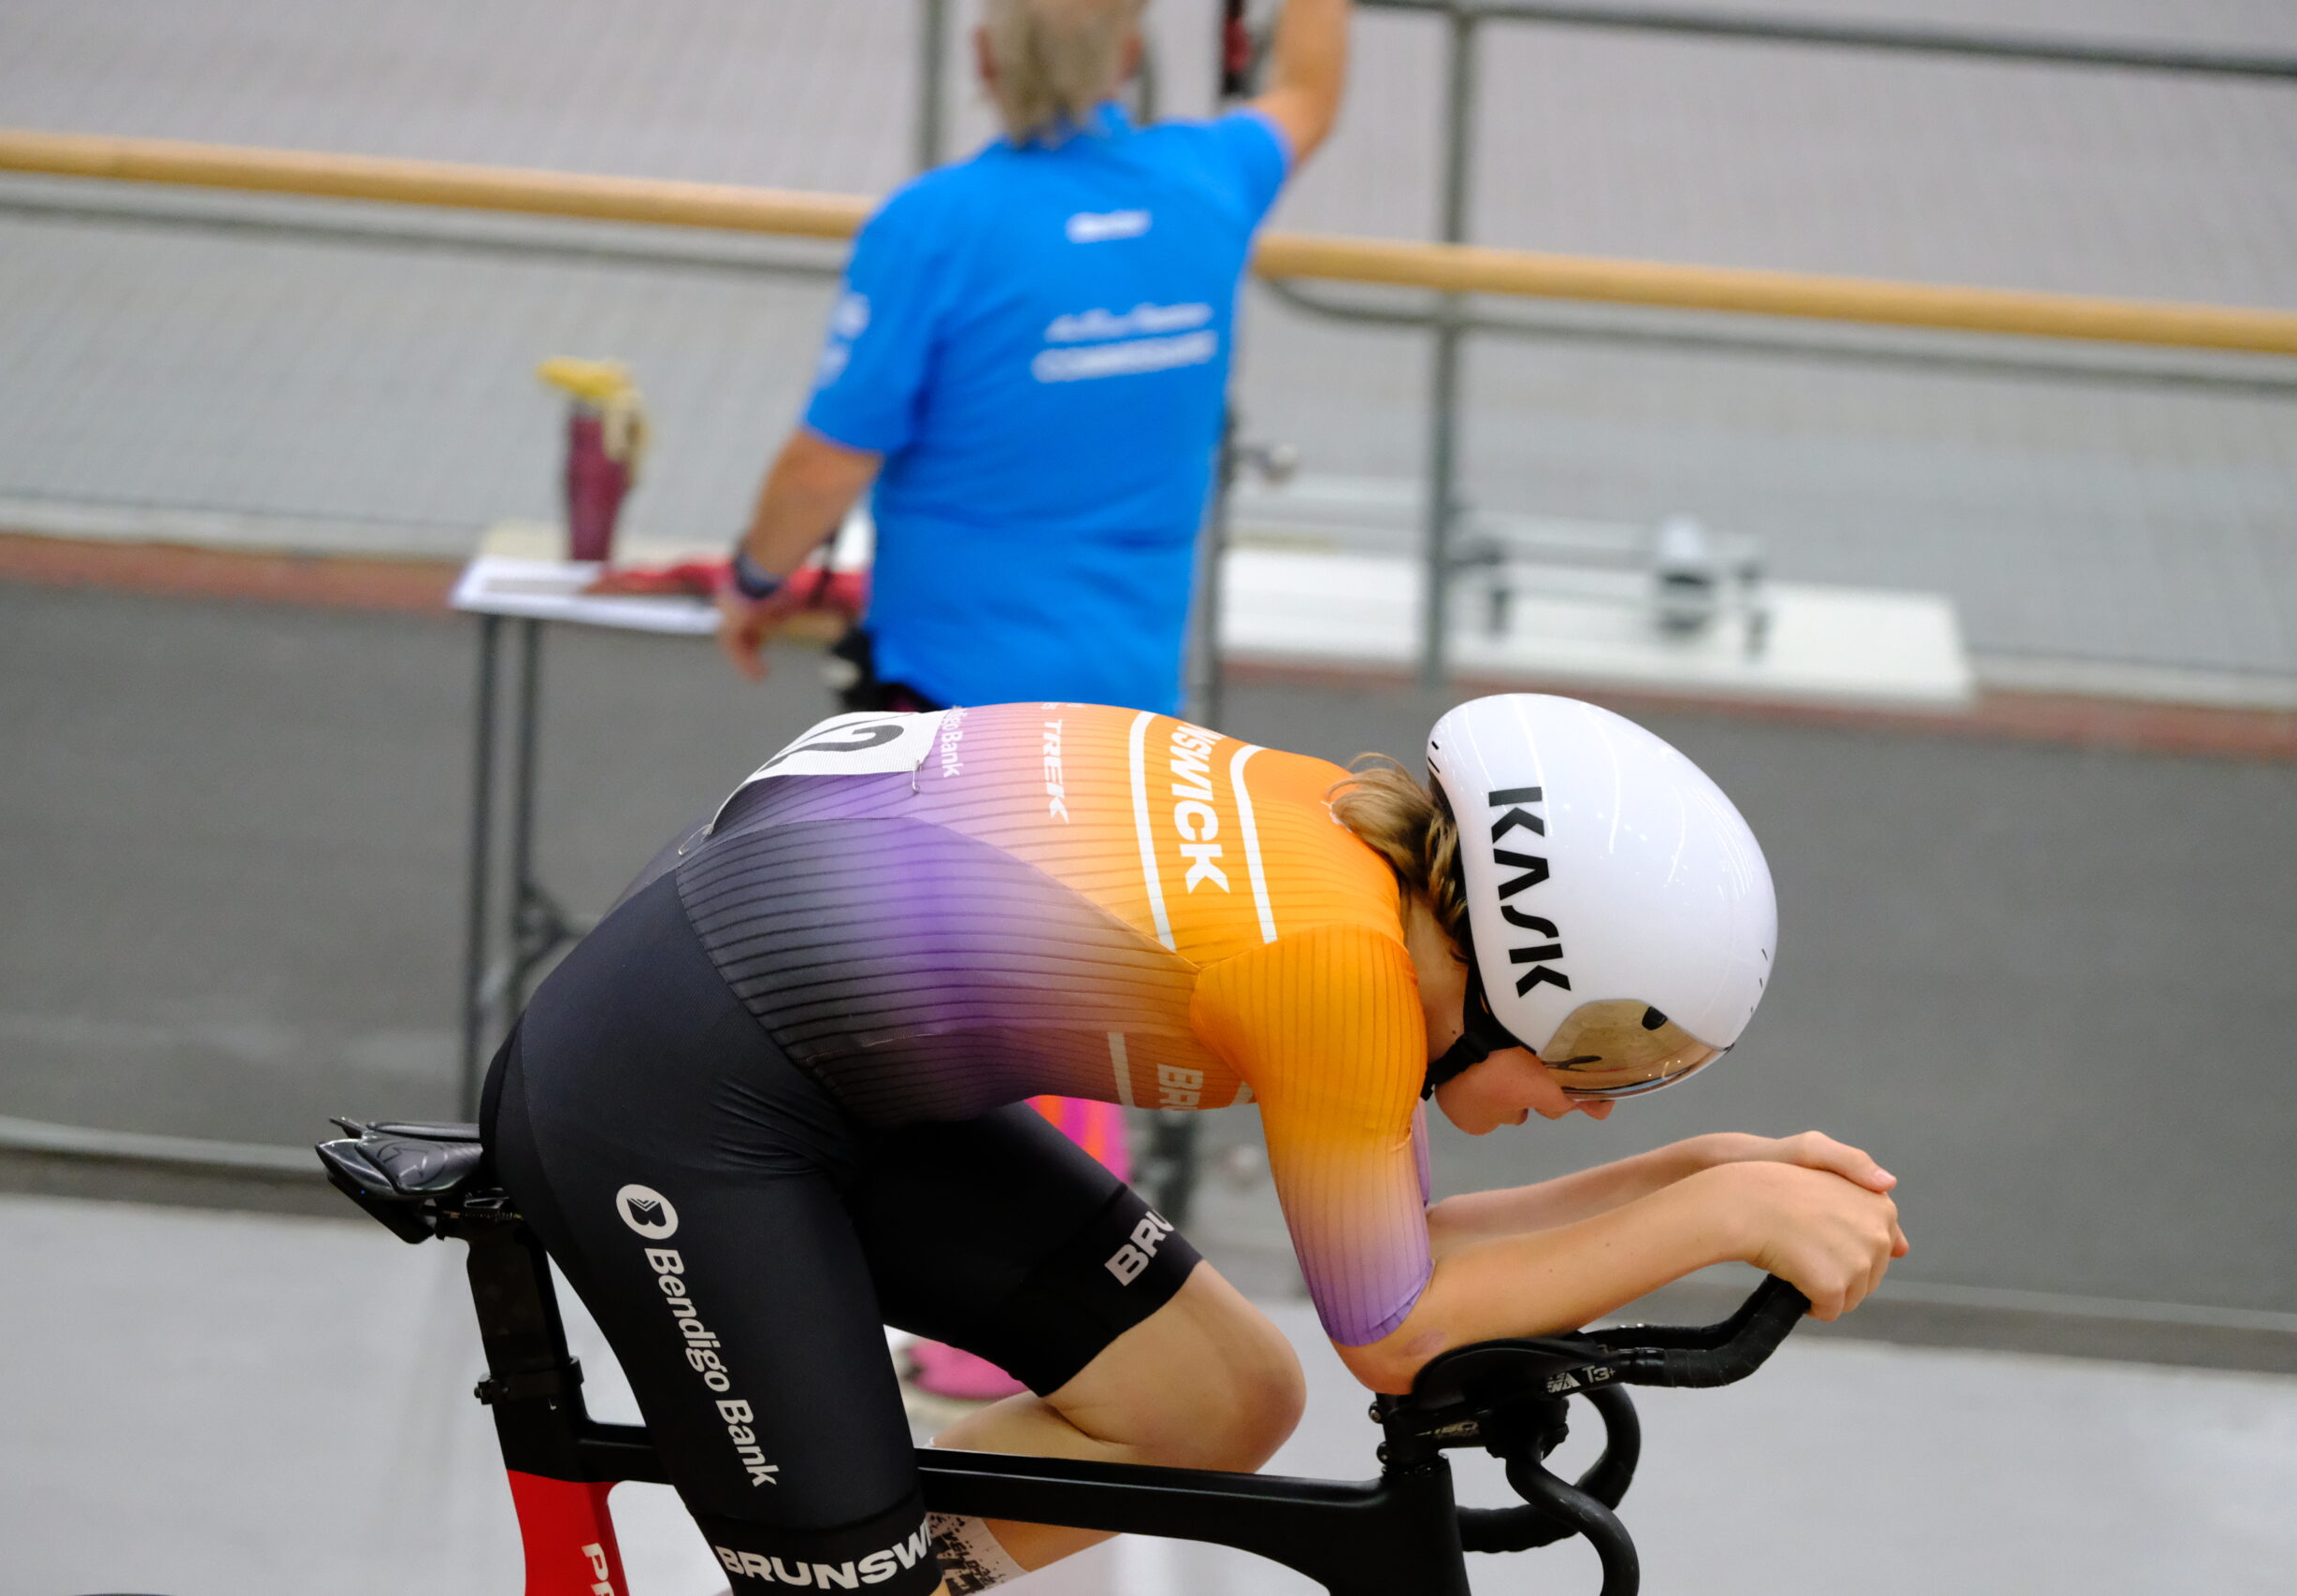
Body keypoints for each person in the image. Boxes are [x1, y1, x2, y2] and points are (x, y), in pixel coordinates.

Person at [480, 692, 1906, 1595]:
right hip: (669, 1102)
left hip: (793, 1049)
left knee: (1215, 1395)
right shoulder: (1336, 971)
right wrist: (1724, 1219)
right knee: (850, 1590)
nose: (1598, 1103)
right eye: (1605, 1057)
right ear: (1522, 971)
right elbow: (1401, 1333)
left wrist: (1698, 1174)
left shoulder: (1362, 875)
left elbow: (1406, 1256)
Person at [711, 0, 1351, 714]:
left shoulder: (933, 224)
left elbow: (824, 470)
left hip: (952, 707)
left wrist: (753, 583)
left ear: (984, 58)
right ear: (1128, 56)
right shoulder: (1210, 182)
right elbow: (1309, 91)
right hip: (1130, 708)